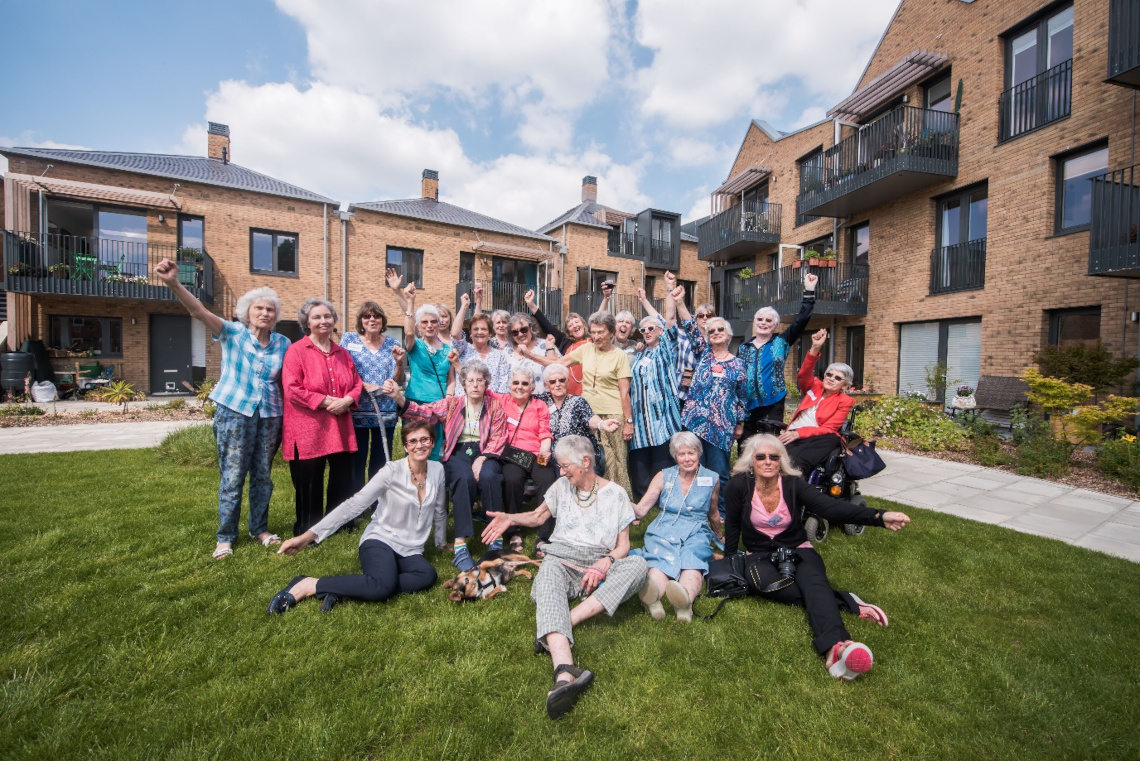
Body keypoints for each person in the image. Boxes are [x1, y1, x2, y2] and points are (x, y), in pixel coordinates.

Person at [481, 435, 650, 719]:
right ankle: (565, 673)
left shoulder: (616, 494)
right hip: (561, 557)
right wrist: (511, 518)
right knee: (547, 575)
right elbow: (536, 517)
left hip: (598, 561)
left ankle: (561, 621)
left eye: (565, 465)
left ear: (586, 462)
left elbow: (623, 547)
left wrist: (604, 563)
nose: (561, 471)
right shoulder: (561, 487)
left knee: (638, 566)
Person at [724, 434, 909, 680]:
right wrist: (729, 561)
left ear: (781, 460)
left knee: (813, 582)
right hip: (759, 554)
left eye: (774, 456)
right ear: (750, 460)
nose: (767, 461)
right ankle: (847, 601)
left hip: (798, 548)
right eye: (761, 457)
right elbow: (733, 526)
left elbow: (829, 507)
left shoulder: (793, 483)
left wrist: (878, 517)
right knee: (766, 587)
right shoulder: (737, 486)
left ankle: (837, 647)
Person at [154, 259, 289, 560]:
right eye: (259, 308)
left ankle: (260, 529)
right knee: (232, 476)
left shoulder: (283, 343)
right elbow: (198, 311)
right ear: (247, 313)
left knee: (263, 476)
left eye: (270, 310)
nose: (265, 313)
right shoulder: (231, 333)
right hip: (235, 412)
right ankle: (226, 537)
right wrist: (173, 283)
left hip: (269, 415)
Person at [267, 421, 444, 614]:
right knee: (381, 586)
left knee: (427, 575)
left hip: (411, 548)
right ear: (405, 446)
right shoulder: (391, 471)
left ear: (433, 443)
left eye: (425, 439)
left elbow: (440, 510)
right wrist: (307, 537)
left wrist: (441, 541)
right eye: (413, 441)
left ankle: (346, 590)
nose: (419, 445)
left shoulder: (437, 470)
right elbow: (354, 505)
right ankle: (309, 584)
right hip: (381, 539)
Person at [381, 361, 507, 571]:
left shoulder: (494, 406)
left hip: (486, 452)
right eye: (470, 381)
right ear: (464, 385)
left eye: (480, 381)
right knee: (463, 478)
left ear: (486, 384)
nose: (475, 385)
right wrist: (397, 396)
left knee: (490, 476)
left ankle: (496, 537)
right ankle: (460, 543)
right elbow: (423, 413)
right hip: (458, 451)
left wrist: (483, 457)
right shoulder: (452, 404)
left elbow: (499, 436)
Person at [521, 311, 634, 495]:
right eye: (594, 332)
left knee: (619, 460)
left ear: (611, 332)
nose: (596, 336)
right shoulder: (586, 349)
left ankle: (623, 501)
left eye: (601, 332)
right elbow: (557, 363)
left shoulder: (619, 355)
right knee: (604, 460)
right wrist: (530, 356)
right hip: (590, 414)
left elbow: (624, 391)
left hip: (614, 413)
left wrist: (628, 422)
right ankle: (600, 497)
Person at [282, 299, 363, 537]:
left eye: (327, 316)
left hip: (339, 426)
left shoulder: (343, 353)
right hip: (308, 427)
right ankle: (309, 529)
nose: (323, 321)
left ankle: (338, 525)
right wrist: (329, 401)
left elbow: (356, 383)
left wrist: (347, 400)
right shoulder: (296, 351)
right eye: (317, 317)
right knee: (309, 482)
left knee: (341, 480)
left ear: (334, 320)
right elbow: (292, 389)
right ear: (307, 323)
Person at [631, 432, 721, 622]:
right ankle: (652, 600)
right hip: (665, 527)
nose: (687, 459)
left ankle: (685, 602)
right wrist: (619, 499)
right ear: (675, 456)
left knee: (693, 559)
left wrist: (719, 536)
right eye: (682, 454)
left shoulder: (712, 478)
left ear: (699, 453)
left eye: (691, 453)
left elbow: (713, 512)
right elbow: (641, 509)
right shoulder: (664, 476)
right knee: (661, 558)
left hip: (696, 529)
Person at [674, 285, 747, 520]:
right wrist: (680, 302)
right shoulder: (703, 353)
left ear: (728, 335)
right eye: (711, 330)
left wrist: (740, 424)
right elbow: (689, 326)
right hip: (694, 422)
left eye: (720, 330)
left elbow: (742, 397)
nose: (715, 332)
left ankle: (720, 512)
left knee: (719, 472)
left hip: (721, 426)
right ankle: (693, 510)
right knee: (691, 469)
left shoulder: (738, 365)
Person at [737, 273, 818, 441]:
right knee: (745, 445)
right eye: (760, 319)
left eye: (768, 321)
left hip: (773, 403)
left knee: (770, 444)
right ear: (754, 322)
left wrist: (809, 292)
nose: (763, 323)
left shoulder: (781, 343)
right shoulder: (743, 347)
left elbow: (801, 321)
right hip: (748, 405)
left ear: (774, 325)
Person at [340, 301, 406, 495]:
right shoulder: (349, 340)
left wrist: (399, 364)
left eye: (376, 316)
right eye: (367, 316)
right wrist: (361, 385)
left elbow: (398, 379)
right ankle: (357, 502)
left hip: (384, 410)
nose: (372, 320)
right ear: (361, 320)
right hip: (356, 409)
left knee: (381, 459)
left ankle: (377, 501)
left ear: (382, 320)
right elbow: (343, 370)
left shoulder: (393, 344)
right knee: (357, 459)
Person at [627, 286, 684, 499]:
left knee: (663, 463)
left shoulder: (666, 349)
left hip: (663, 419)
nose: (648, 332)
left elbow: (668, 318)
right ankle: (643, 501)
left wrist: (647, 299)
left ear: (660, 332)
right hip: (641, 421)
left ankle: (664, 499)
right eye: (643, 330)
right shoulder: (639, 354)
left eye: (652, 328)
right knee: (640, 464)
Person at [780, 328, 857, 473]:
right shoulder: (815, 386)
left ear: (845, 386)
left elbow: (829, 429)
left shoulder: (845, 401)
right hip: (793, 433)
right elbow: (803, 374)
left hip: (818, 439)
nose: (831, 379)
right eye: (829, 374)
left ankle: (796, 491)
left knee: (796, 460)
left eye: (838, 378)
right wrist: (815, 347)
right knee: (772, 455)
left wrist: (799, 433)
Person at [398, 278, 454, 461]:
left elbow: (451, 378)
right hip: (416, 404)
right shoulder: (415, 345)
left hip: (439, 407)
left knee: (435, 449)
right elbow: (408, 332)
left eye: (433, 321)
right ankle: (413, 487)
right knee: (415, 450)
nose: (429, 325)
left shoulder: (448, 349)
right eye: (424, 322)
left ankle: (433, 487)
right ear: (419, 326)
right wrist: (411, 302)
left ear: (439, 324)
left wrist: (449, 398)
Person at [524, 288, 588, 396]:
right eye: (571, 325)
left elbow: (599, 320)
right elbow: (547, 325)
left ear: (583, 324)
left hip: (589, 393)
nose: (575, 326)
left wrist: (606, 298)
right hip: (569, 394)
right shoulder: (565, 342)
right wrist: (531, 304)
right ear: (569, 332)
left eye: (577, 322)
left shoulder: (594, 341)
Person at [451, 285, 511, 393]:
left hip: (490, 406)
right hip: (464, 404)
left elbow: (503, 386)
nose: (479, 332)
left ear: (489, 333)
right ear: (470, 333)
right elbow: (455, 334)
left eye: (484, 329)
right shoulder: (464, 349)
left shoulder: (498, 355)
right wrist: (465, 306)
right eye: (475, 329)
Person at [507, 312, 558, 394]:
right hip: (516, 401)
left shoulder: (545, 345)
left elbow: (557, 368)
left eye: (523, 330)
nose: (520, 334)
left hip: (543, 400)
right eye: (515, 333)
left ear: (531, 328)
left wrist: (550, 348)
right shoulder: (507, 351)